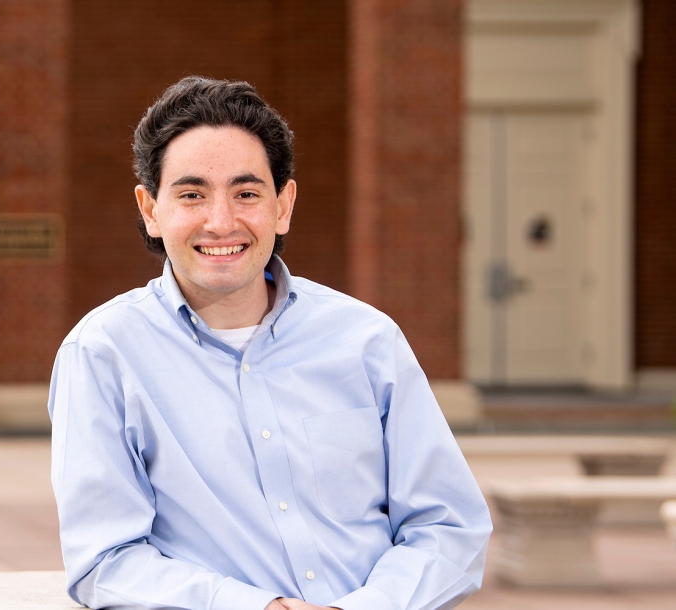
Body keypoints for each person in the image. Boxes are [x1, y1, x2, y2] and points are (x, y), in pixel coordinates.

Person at [48, 76, 492, 610]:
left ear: (283, 205)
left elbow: (449, 525)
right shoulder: (102, 355)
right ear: (150, 209)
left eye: (247, 193)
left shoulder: (367, 341)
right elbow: (105, 560)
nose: (221, 221)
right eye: (192, 194)